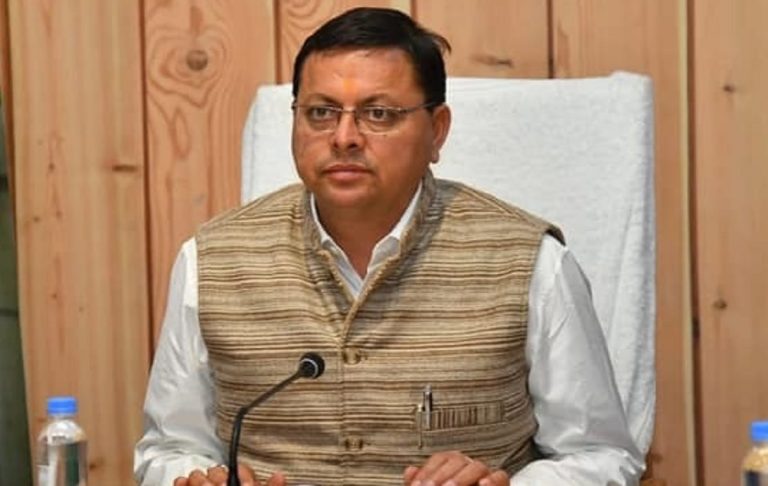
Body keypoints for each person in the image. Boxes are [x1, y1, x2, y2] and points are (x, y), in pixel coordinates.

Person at [134, 7, 644, 486]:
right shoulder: (211, 260)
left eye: (378, 114)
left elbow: (601, 456)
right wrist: (195, 476)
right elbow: (169, 447)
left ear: (437, 132)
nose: (344, 137)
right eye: (320, 112)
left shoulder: (530, 262)